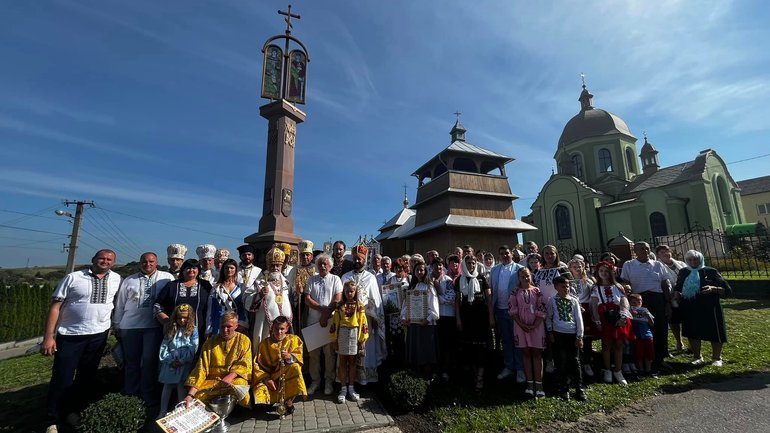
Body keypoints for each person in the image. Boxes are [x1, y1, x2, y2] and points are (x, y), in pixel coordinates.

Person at [42, 249, 121, 433]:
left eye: (109, 259)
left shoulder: (116, 279)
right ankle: (51, 420)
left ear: (113, 263)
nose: (105, 261)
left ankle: (73, 412)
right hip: (71, 335)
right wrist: (48, 336)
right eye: (101, 258)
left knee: (86, 377)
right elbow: (56, 306)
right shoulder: (74, 277)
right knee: (62, 378)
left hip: (99, 335)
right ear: (93, 259)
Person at [113, 252, 173, 407]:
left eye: (151, 261)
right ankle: (131, 394)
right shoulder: (129, 280)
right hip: (130, 326)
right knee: (131, 362)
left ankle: (147, 395)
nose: (148, 264)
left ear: (156, 262)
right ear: (140, 263)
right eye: (144, 262)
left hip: (153, 327)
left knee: (149, 362)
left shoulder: (166, 277)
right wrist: (117, 324)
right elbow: (120, 304)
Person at [673, 250, 732, 367]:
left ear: (700, 259)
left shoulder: (711, 271)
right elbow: (678, 287)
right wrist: (676, 294)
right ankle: (697, 356)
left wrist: (713, 288)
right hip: (690, 307)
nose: (693, 262)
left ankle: (716, 357)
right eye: (690, 260)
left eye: (695, 259)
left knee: (714, 331)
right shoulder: (683, 272)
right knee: (693, 331)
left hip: (710, 307)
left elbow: (728, 290)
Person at [184, 311, 252, 408]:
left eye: (229, 327)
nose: (225, 330)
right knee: (198, 395)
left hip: (233, 380)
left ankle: (236, 409)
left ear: (236, 326)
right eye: (222, 326)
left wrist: (230, 376)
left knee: (241, 386)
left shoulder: (244, 340)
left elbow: (245, 363)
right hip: (213, 381)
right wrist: (190, 394)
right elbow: (201, 368)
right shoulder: (209, 343)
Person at [620, 242, 672, 367]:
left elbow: (665, 284)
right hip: (638, 301)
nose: (645, 251)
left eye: (647, 249)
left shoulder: (658, 265)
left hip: (657, 299)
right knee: (640, 330)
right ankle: (641, 359)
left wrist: (668, 302)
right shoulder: (629, 265)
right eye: (641, 249)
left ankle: (659, 359)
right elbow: (626, 283)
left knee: (660, 328)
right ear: (635, 251)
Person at [341, 245, 386, 384]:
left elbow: (375, 300)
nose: (357, 261)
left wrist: (375, 318)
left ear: (364, 260)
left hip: (366, 319)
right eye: (355, 258)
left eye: (360, 259)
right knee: (348, 349)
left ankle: (365, 380)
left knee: (366, 349)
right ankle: (348, 381)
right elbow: (341, 299)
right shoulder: (345, 277)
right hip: (348, 320)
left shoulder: (371, 278)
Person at [303, 254, 343, 396]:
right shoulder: (312, 279)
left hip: (330, 323)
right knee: (313, 355)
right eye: (320, 264)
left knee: (329, 354)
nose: (323, 266)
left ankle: (328, 381)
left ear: (330, 266)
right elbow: (307, 299)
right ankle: (315, 381)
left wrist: (326, 315)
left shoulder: (335, 279)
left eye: (325, 264)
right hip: (313, 322)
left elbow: (337, 298)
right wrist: (321, 309)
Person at [252, 316, 307, 413]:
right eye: (276, 328)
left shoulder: (294, 340)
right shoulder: (264, 344)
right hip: (270, 377)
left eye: (282, 329)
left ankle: (288, 401)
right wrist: (266, 379)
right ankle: (273, 403)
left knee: (295, 367)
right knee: (258, 399)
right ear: (272, 328)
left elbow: (299, 360)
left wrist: (290, 357)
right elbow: (257, 366)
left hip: (287, 375)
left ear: (287, 328)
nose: (279, 331)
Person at [244, 247, 293, 352]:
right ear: (267, 265)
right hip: (265, 323)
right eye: (272, 265)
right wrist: (259, 295)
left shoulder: (286, 283)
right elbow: (246, 299)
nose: (275, 268)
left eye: (278, 265)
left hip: (283, 324)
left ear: (282, 266)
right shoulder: (260, 282)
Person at [488, 245, 525, 383]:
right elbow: (492, 291)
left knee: (518, 339)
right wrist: (492, 313)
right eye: (502, 253)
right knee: (506, 340)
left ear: (512, 254)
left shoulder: (518, 269)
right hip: (500, 309)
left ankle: (520, 368)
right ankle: (509, 366)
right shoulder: (494, 270)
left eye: (507, 253)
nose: (505, 255)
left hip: (515, 311)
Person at [592, 261, 632, 386]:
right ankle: (607, 369)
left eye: (606, 271)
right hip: (604, 317)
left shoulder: (618, 287)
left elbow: (624, 302)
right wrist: (597, 320)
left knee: (619, 344)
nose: (604, 274)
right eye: (601, 271)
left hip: (617, 316)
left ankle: (618, 370)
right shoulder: (596, 288)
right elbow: (593, 306)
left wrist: (623, 316)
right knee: (606, 344)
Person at [546, 276, 586, 401]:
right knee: (560, 361)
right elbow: (549, 317)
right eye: (563, 286)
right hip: (559, 334)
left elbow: (579, 319)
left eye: (567, 286)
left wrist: (579, 336)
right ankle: (564, 387)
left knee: (575, 361)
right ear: (556, 287)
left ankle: (579, 388)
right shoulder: (552, 300)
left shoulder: (574, 301)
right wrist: (550, 331)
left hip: (572, 334)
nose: (566, 289)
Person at [509, 267, 547, 397]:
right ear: (518, 278)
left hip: (537, 326)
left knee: (537, 353)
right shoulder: (515, 292)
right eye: (522, 276)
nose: (525, 278)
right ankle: (530, 383)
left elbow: (541, 307)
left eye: (527, 276)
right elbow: (513, 309)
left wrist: (535, 324)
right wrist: (522, 324)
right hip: (521, 327)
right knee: (525, 352)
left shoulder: (537, 291)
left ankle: (539, 384)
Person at [456, 254, 492, 391]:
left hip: (481, 317)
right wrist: (458, 319)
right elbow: (457, 301)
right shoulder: (460, 279)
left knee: (481, 348)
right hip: (467, 318)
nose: (471, 266)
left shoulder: (482, 278)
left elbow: (488, 298)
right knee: (469, 348)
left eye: (473, 263)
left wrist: (491, 317)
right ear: (464, 265)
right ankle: (473, 375)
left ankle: (480, 377)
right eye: (468, 263)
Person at [154, 259, 211, 344]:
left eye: (194, 268)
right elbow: (157, 305)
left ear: (198, 270)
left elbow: (212, 306)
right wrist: (166, 321)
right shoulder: (172, 285)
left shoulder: (205, 285)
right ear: (183, 270)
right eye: (188, 268)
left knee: (198, 355)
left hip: (200, 330)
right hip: (175, 331)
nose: (191, 270)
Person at [331, 281, 369, 403]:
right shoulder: (339, 306)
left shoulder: (359, 306)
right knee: (342, 361)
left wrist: (362, 339)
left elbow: (363, 322)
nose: (349, 294)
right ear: (344, 292)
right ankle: (343, 388)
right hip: (342, 333)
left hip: (354, 333)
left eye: (352, 291)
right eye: (347, 291)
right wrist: (334, 338)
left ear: (356, 292)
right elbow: (335, 323)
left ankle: (351, 387)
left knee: (353, 361)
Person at [533, 245, 569, 373]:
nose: (549, 256)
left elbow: (571, 288)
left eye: (552, 253)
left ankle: (563, 362)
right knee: (547, 336)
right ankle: (549, 360)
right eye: (546, 253)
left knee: (560, 335)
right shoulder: (538, 271)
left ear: (556, 254)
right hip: (543, 307)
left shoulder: (563, 269)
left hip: (559, 307)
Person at [158, 304, 198, 417]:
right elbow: (164, 346)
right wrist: (169, 360)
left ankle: (182, 411)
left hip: (183, 363)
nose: (182, 320)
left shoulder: (193, 330)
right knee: (167, 386)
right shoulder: (171, 329)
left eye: (185, 318)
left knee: (181, 385)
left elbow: (193, 347)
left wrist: (182, 360)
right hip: (170, 362)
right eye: (180, 317)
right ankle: (162, 411)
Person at [401, 262, 440, 378]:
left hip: (426, 325)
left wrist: (427, 320)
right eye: (417, 270)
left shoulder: (429, 287)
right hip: (414, 324)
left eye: (422, 270)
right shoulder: (412, 287)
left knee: (426, 352)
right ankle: (417, 378)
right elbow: (406, 306)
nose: (419, 272)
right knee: (416, 352)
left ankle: (427, 377)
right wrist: (404, 318)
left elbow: (434, 307)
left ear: (425, 271)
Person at [567, 257, 597, 377]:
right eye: (574, 267)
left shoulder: (589, 281)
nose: (577, 269)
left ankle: (587, 362)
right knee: (575, 337)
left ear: (583, 267)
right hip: (574, 309)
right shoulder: (568, 282)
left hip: (586, 309)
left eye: (579, 266)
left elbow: (593, 295)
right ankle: (576, 361)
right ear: (570, 269)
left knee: (587, 339)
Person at [656, 245, 687, 352]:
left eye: (667, 251)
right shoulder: (658, 266)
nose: (665, 254)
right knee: (674, 320)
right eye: (662, 252)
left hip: (685, 294)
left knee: (688, 320)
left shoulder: (681, 264)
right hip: (670, 296)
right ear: (658, 255)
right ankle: (679, 342)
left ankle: (692, 343)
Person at [208, 258, 248, 337]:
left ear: (236, 270)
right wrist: (209, 328)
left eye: (231, 268)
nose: (229, 270)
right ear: (223, 270)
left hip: (237, 325)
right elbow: (211, 310)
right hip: (219, 325)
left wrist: (243, 323)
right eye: (226, 268)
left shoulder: (241, 287)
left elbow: (244, 308)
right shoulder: (216, 288)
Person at [432, 259, 456, 381]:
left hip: (447, 316)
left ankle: (445, 371)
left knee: (446, 345)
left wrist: (438, 291)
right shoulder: (428, 280)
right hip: (434, 318)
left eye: (440, 265)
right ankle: (436, 369)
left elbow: (450, 298)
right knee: (436, 345)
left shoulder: (448, 280)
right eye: (436, 266)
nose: (438, 268)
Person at [287, 239, 317, 332]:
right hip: (298, 303)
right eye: (303, 255)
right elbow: (288, 287)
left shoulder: (316, 269)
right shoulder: (294, 270)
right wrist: (296, 291)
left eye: (307, 254)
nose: (305, 257)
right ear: (299, 256)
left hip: (313, 302)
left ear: (311, 256)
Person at [628, 293, 655, 375]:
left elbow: (652, 324)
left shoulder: (645, 310)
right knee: (639, 353)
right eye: (634, 302)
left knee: (649, 353)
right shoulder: (630, 311)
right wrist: (630, 315)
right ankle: (641, 369)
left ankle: (648, 369)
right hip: (636, 336)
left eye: (639, 302)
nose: (637, 304)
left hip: (647, 335)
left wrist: (648, 316)